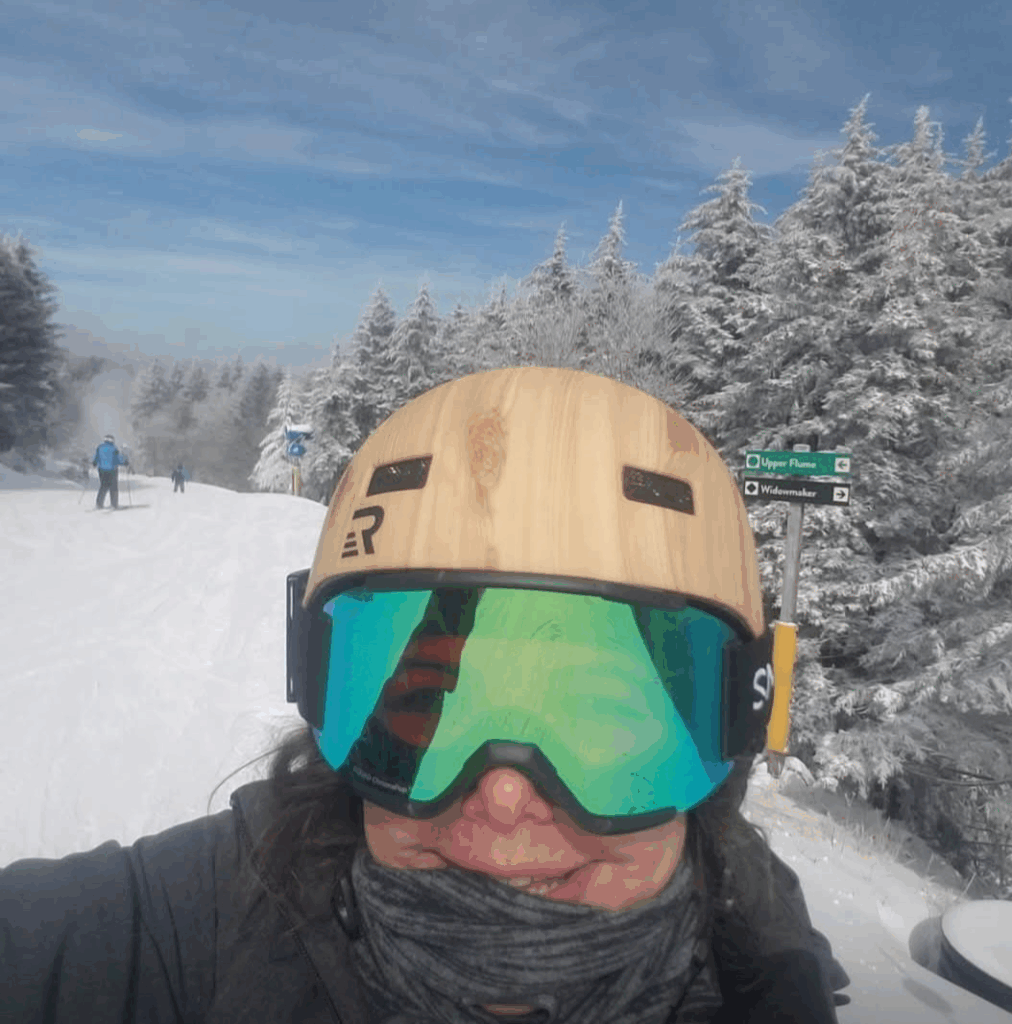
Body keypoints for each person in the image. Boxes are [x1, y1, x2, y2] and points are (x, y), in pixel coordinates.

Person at [0, 367, 851, 1023]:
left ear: (728, 739)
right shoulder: (195, 925)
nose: (508, 795)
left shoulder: (772, 982)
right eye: (426, 716)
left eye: (597, 720)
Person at [91, 434, 129, 509]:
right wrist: (125, 462)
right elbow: (117, 459)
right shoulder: (114, 448)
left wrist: (95, 463)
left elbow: (96, 457)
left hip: (101, 469)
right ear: (112, 440)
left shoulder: (100, 447)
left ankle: (99, 504)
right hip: (112, 470)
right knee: (113, 487)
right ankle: (114, 504)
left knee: (103, 486)